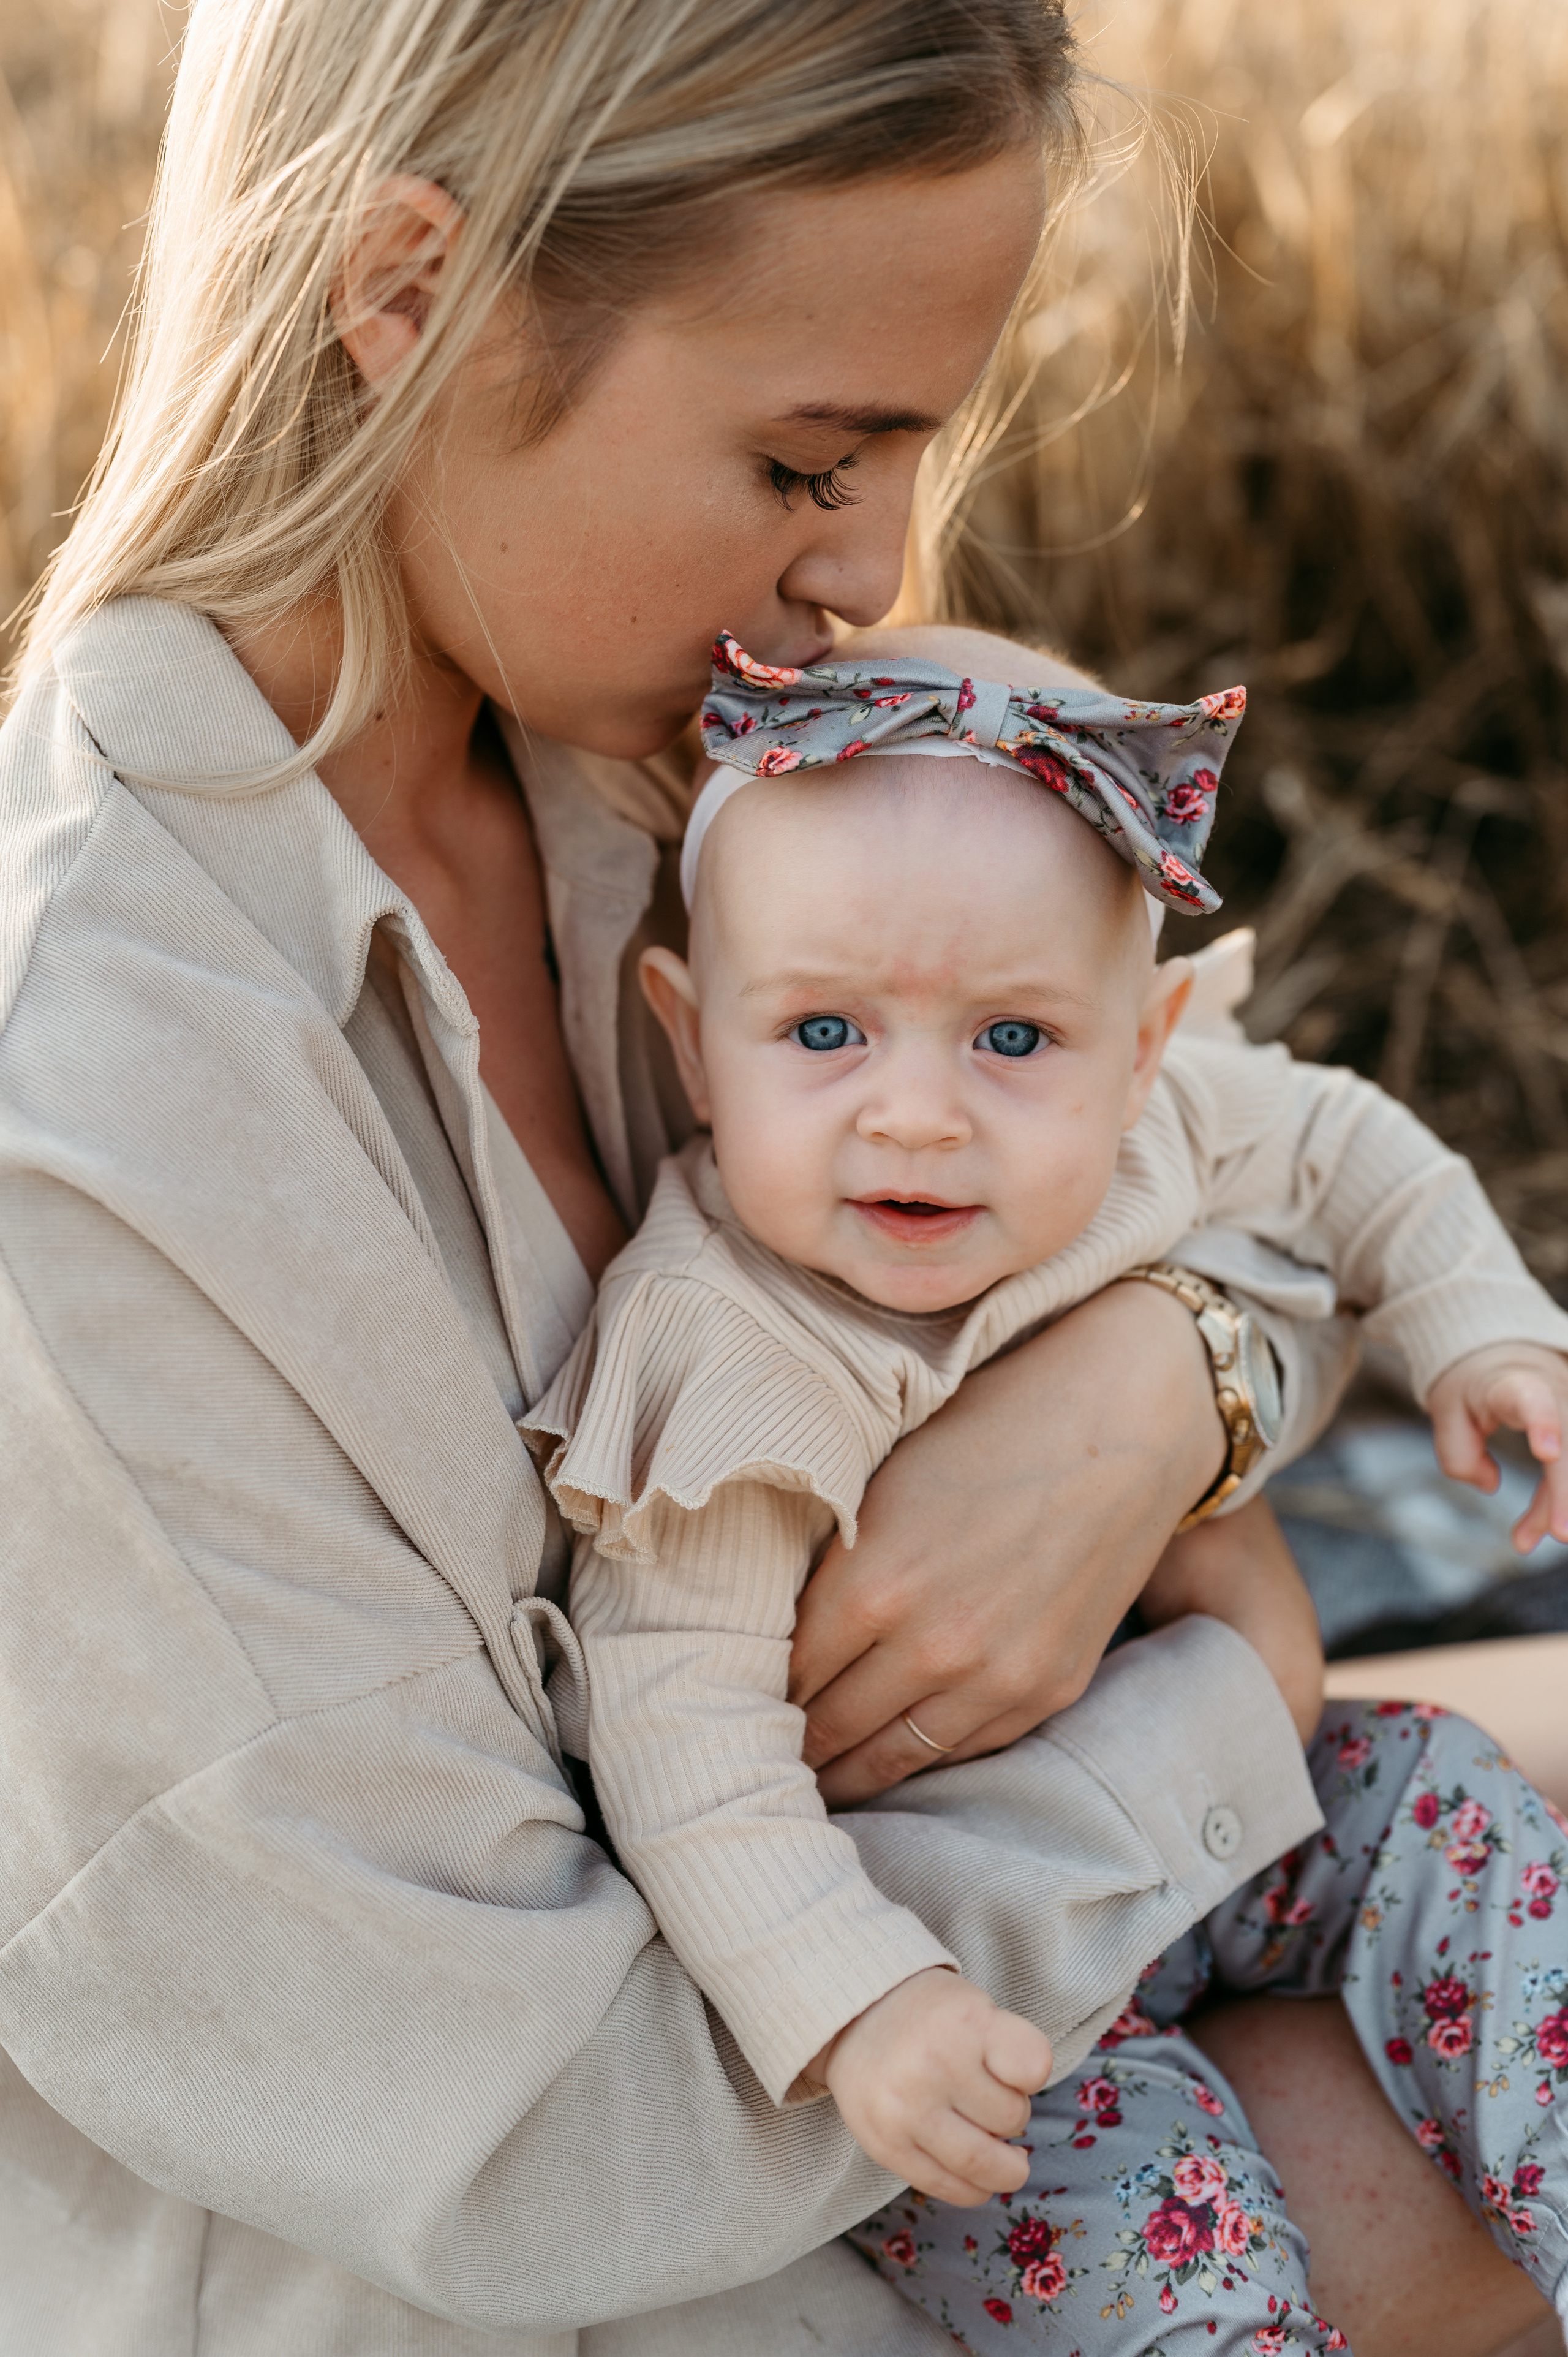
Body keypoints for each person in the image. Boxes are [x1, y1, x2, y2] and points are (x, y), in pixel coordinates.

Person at [0, 1, 1559, 2350]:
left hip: (919, 2054)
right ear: (408, 288)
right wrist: (1222, 1699)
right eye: (807, 459)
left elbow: (1196, 1127)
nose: (869, 574)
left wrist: (1168, 1384)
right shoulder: (86, 1142)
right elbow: (537, 2136)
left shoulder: (664, 771)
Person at [522, 626, 1568, 2347]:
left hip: (1225, 1792)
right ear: (692, 1037)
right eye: (827, 1032)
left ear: (1145, 1044)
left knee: (1449, 1805)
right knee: (1160, 2236)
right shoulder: (720, 1358)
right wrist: (861, 2011)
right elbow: (681, 1751)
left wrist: (1475, 1325)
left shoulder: (1146, 1135)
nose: (919, 1114)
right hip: (988, 1965)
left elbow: (1343, 1141)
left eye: (1012, 1036)